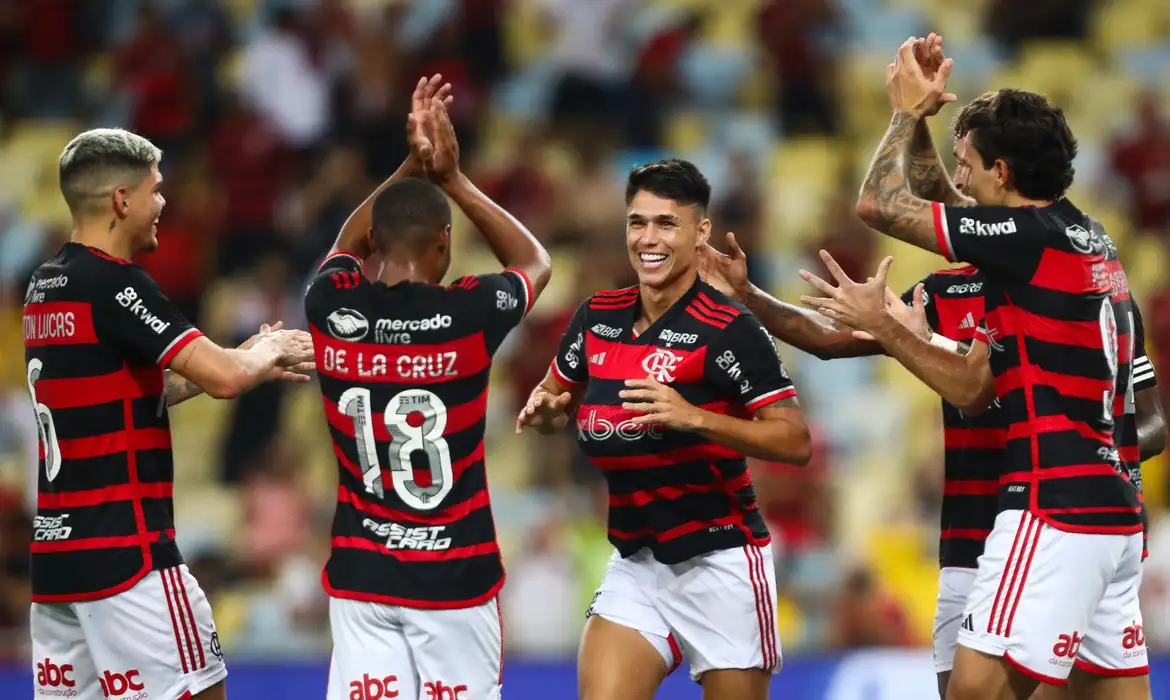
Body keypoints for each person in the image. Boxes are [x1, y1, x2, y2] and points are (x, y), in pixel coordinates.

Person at [803, 36, 1150, 700]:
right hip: (1113, 511)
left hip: (1053, 503)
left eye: (968, 164)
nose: (958, 178)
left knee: (973, 690)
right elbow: (955, 205)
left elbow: (879, 204)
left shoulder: (1025, 242)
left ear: (1002, 170)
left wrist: (905, 113)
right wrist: (930, 124)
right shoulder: (1082, 235)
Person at [25, 128, 314, 700]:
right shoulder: (115, 283)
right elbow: (226, 379)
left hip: (59, 563)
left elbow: (122, 394)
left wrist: (242, 358)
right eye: (154, 190)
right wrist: (267, 351)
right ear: (121, 200)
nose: (162, 203)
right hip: (128, 556)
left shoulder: (46, 285)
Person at [516, 158, 812, 700]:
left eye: (666, 224)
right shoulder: (597, 317)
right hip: (637, 562)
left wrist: (694, 416)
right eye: (637, 222)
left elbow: (795, 441)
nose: (648, 239)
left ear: (700, 232)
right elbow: (556, 399)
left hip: (721, 561)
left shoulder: (730, 329)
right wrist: (546, 414)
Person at [303, 77, 552, 700]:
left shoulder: (330, 305)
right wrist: (452, 179)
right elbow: (534, 263)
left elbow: (346, 243)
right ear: (444, 242)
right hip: (455, 577)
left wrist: (410, 166)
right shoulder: (468, 314)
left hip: (362, 575)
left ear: (375, 244)